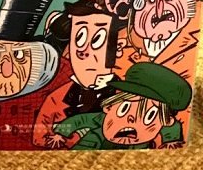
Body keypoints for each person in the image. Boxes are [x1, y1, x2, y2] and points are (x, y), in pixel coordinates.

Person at [33, 2, 125, 148]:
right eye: (79, 38)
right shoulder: (57, 98)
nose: (84, 51)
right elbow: (39, 138)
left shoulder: (126, 96)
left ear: (117, 48)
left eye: (97, 39)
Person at [52, 62, 192, 150]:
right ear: (109, 107)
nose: (131, 119)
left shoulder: (149, 138)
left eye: (149, 116)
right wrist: (60, 133)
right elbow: (79, 120)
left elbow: (172, 125)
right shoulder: (99, 120)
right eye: (124, 109)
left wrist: (171, 140)